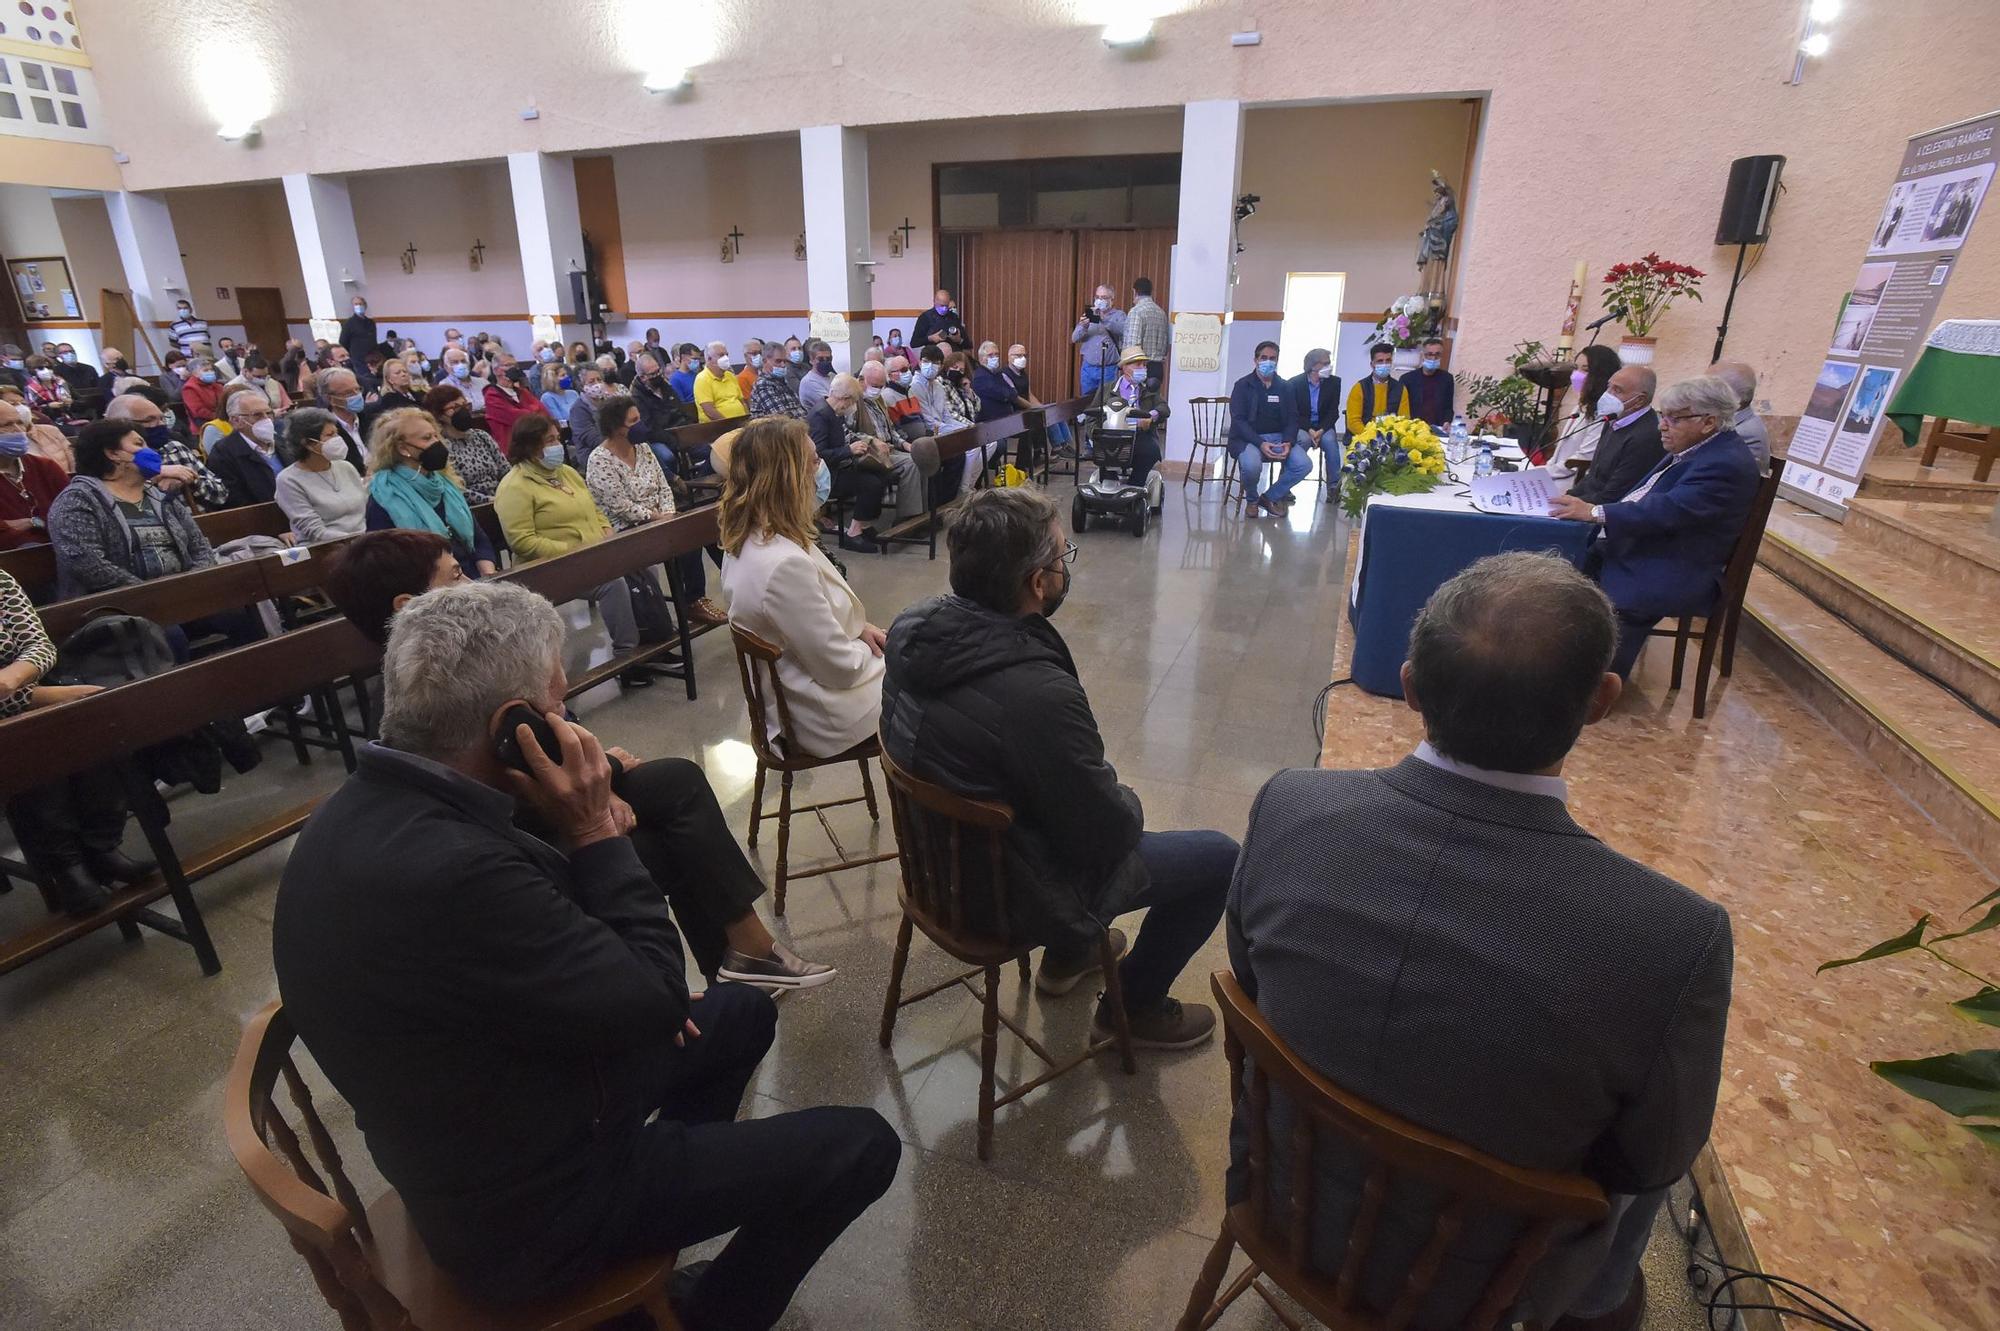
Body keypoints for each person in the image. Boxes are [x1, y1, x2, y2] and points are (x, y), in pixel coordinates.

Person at [274, 578, 897, 1330]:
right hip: (532, 1216)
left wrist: (570, 827)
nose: (569, 721)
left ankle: (665, 1202)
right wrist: (595, 825)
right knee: (862, 1144)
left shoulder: (363, 809)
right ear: (514, 729)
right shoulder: (456, 873)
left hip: (492, 1118)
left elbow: (535, 961)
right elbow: (657, 992)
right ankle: (706, 1309)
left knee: (739, 1012)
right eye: (560, 705)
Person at [1228, 552, 1731, 1331]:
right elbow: (1649, 1159)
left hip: (1281, 1197)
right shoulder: (1672, 935)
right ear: (1601, 701)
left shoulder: (1291, 805)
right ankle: (1595, 1304)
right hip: (1480, 1286)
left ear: (1410, 686)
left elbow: (1250, 979)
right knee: (1650, 1175)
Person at [881, 486, 1232, 1047]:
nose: (1065, 571)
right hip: (1004, 896)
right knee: (1220, 858)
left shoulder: (913, 629)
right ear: (1037, 583)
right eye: (1061, 558)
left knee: (1047, 804)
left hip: (937, 868)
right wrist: (1128, 798)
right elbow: (1106, 834)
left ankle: (1069, 956)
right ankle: (1133, 1010)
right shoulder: (1035, 695)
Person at [1549, 376, 1760, 678]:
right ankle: (1555, 659)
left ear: (1709, 422)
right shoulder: (1698, 448)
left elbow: (1667, 511)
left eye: (1674, 419)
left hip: (1668, 566)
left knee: (1589, 679)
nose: (1663, 425)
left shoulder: (1724, 463)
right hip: (1640, 546)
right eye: (1664, 416)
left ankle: (1592, 681)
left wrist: (1596, 512)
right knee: (1555, 568)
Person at [720, 418, 889, 754]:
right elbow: (838, 669)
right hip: (819, 710)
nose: (821, 469)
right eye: (814, 461)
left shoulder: (755, 535)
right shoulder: (783, 564)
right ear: (788, 476)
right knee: (938, 695)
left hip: (807, 681)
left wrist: (859, 628)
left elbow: (813, 618)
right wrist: (884, 655)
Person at [46, 420, 263, 661]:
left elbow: (198, 545)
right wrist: (153, 594)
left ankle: (259, 688)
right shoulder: (78, 501)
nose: (151, 452)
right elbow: (88, 564)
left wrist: (194, 582)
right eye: (139, 444)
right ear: (113, 454)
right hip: (118, 605)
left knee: (241, 611)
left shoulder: (158, 495)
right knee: (166, 635)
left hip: (180, 596)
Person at [1, 570, 151, 914]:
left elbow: (38, 644)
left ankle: (102, 847)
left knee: (88, 717)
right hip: (20, 711)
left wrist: (15, 678)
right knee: (29, 737)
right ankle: (67, 867)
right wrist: (37, 697)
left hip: (24, 688)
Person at [494, 414, 655, 689]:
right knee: (613, 584)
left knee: (641, 564)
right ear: (530, 447)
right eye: (550, 440)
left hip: (589, 557)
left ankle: (656, 641)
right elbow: (522, 541)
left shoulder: (565, 473)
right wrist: (573, 550)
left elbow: (594, 509)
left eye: (558, 438)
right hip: (546, 569)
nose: (557, 445)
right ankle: (627, 659)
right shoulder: (515, 486)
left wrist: (605, 530)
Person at [587, 393, 729, 626]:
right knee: (684, 539)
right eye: (633, 422)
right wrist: (658, 518)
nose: (640, 426)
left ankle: (727, 585)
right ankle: (692, 601)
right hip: (625, 527)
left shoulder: (642, 448)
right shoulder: (600, 460)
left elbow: (664, 486)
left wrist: (668, 514)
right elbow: (620, 506)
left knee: (703, 529)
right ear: (615, 427)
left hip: (660, 517)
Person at [365, 406, 500, 580]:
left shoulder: (444, 483)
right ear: (402, 448)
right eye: (427, 438)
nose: (437, 443)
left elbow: (478, 539)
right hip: (426, 587)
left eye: (436, 435)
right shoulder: (385, 496)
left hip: (471, 578)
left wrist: (487, 573)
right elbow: (386, 564)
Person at [808, 375, 895, 554]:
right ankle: (853, 533)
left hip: (841, 467)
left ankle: (865, 524)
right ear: (844, 399)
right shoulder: (820, 416)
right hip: (827, 475)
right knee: (871, 484)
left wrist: (869, 441)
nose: (853, 406)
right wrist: (849, 450)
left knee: (885, 474)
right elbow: (819, 454)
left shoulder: (834, 412)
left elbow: (846, 435)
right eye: (853, 401)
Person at [101, 392, 229, 510]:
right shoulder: (112, 462)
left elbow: (221, 493)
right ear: (120, 424)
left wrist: (190, 479)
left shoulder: (174, 448)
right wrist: (155, 477)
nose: (160, 424)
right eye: (149, 420)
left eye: (162, 418)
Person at [1228, 341, 1307, 518]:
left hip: (1279, 438)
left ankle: (1269, 496)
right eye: (1264, 358)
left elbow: (1293, 418)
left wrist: (1288, 441)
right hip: (1248, 439)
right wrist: (1260, 443)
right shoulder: (1242, 385)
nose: (1268, 362)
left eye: (1272, 358)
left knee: (1303, 465)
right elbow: (1238, 421)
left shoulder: (1286, 387)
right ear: (1255, 360)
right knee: (1251, 465)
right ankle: (1252, 500)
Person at [1565, 367, 1662, 506]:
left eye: (1617, 390)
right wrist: (1568, 496)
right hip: (1590, 503)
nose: (1607, 395)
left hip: (1607, 515)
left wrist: (1572, 503)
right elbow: (1594, 476)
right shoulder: (1614, 419)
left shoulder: (1646, 437)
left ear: (1639, 400)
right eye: (1608, 387)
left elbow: (1615, 496)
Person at [274, 406, 368, 542]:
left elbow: (365, 509)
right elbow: (316, 532)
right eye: (330, 435)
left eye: (337, 433)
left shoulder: (345, 466)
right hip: (325, 548)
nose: (337, 439)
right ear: (308, 444)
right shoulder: (288, 480)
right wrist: (360, 541)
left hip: (364, 542)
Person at [1528, 345, 1623, 469]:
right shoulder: (1582, 406)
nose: (1577, 375)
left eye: (1586, 370)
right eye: (1576, 368)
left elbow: (1583, 459)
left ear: (1602, 375)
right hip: (1554, 474)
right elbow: (1560, 454)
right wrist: (1541, 470)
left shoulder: (1604, 413)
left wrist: (1545, 473)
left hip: (1572, 482)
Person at [1091, 345, 1168, 495]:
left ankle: (1135, 486)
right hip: (1111, 436)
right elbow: (1091, 418)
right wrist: (1095, 435)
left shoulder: (1148, 390)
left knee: (1150, 450)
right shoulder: (1108, 389)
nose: (1143, 368)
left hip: (1139, 435)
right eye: (1138, 364)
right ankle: (1108, 487)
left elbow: (1164, 408)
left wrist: (1152, 416)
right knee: (1104, 452)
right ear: (1125, 367)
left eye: (1144, 365)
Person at [423, 384, 510, 505]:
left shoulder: (481, 436)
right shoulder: (440, 446)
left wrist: (509, 494)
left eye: (465, 405)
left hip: (503, 497)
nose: (463, 411)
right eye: (455, 407)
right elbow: (455, 488)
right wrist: (491, 501)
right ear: (439, 415)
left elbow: (506, 471)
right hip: (474, 506)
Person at [0, 405, 67, 550]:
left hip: (60, 550)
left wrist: (33, 522)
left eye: (20, 423)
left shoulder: (45, 467)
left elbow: (72, 514)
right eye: (7, 425)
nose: (18, 431)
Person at [207, 387, 285, 508]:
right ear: (236, 421)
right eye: (257, 415)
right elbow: (235, 502)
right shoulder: (223, 454)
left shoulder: (283, 443)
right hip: (264, 518)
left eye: (269, 413)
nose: (267, 419)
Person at [1710, 361, 1771, 471]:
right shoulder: (1735, 421)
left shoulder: (1744, 433)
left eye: (1707, 388)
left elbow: (1712, 472)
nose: (1698, 394)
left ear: (1732, 398)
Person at [1291, 346, 1342, 475]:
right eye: (1325, 364)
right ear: (1312, 366)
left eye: (1329, 363)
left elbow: (1333, 412)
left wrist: (1320, 431)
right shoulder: (1294, 384)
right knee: (1303, 440)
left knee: (1330, 442)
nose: (1328, 366)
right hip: (1303, 426)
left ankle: (1334, 487)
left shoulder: (1334, 382)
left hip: (1324, 426)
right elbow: (1294, 413)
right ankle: (1286, 484)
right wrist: (1310, 430)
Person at [1, 383, 74, 473]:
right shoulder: (9, 445)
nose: (21, 407)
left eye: (23, 403)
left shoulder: (50, 430)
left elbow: (72, 459)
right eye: (13, 404)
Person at [1071, 283, 1126, 397]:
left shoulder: (1119, 315)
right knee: (1086, 401)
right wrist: (1083, 326)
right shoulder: (1089, 314)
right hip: (1088, 368)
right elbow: (1074, 338)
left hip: (1108, 369)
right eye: (1097, 297)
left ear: (1112, 300)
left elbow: (1121, 330)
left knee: (1106, 400)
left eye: (1104, 298)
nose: (1100, 300)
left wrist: (1102, 318)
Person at [1347, 342, 1412, 433]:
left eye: (1388, 360)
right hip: (1364, 437)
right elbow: (1353, 422)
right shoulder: (1359, 388)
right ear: (1372, 364)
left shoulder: (1400, 389)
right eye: (1380, 361)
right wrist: (1371, 437)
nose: (1384, 364)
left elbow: (1404, 420)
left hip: (1392, 438)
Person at [633, 351, 697, 441]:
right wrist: (673, 440)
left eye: (658, 371)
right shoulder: (637, 397)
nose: (657, 375)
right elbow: (649, 427)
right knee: (667, 455)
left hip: (678, 428)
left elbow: (680, 408)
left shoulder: (665, 385)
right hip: (659, 435)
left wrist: (691, 426)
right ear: (642, 377)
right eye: (652, 374)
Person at [360, 354, 424, 441]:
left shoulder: (418, 394)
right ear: (389, 379)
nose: (403, 374)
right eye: (398, 373)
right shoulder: (389, 400)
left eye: (405, 371)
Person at [484, 361, 549, 446]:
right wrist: (533, 411)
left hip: (535, 439)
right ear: (496, 371)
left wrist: (530, 412)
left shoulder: (522, 391)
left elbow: (544, 411)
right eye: (507, 365)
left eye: (515, 365)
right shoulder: (491, 396)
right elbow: (518, 418)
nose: (512, 368)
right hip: (512, 445)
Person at [1399, 336, 1455, 429]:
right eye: (1429, 354)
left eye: (1437, 354)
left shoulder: (1447, 379)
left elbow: (1448, 407)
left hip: (1438, 428)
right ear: (1422, 355)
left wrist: (1447, 422)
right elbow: (1401, 407)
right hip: (1413, 428)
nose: (1433, 358)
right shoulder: (1407, 379)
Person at [316, 366, 370, 458]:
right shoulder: (324, 430)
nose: (357, 396)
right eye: (348, 393)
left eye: (357, 389)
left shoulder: (371, 418)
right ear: (330, 398)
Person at [1125, 276, 1169, 384]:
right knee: (1153, 400)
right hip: (1158, 368)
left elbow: (1133, 346)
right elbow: (1165, 344)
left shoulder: (1136, 312)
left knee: (1136, 399)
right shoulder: (1161, 313)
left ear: (1134, 292)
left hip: (1140, 367)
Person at [694, 340, 750, 422]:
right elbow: (709, 410)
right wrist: (729, 424)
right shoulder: (702, 379)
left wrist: (747, 419)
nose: (726, 358)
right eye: (721, 355)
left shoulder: (730, 375)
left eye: (727, 355)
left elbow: (742, 402)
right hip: (719, 427)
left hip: (740, 424)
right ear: (709, 359)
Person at [566, 366, 612, 463]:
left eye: (599, 380)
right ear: (583, 386)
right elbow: (591, 438)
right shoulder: (578, 409)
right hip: (592, 455)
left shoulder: (610, 402)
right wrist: (617, 446)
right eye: (591, 381)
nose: (597, 384)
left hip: (614, 448)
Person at [749, 345, 807, 420]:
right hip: (778, 430)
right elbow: (782, 419)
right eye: (778, 361)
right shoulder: (763, 384)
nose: (783, 365)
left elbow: (800, 410)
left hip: (800, 427)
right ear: (764, 361)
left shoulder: (783, 381)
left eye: (785, 361)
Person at [24, 356, 78, 424]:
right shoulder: (30, 387)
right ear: (33, 370)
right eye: (41, 368)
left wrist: (71, 402)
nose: (46, 370)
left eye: (49, 367)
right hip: (48, 421)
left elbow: (79, 400)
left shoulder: (61, 381)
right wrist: (48, 406)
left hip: (69, 417)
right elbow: (32, 410)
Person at [911, 288, 968, 352]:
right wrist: (930, 338)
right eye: (941, 305)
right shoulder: (925, 317)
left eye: (946, 306)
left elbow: (968, 344)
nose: (944, 308)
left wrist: (959, 340)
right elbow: (914, 343)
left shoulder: (954, 317)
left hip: (952, 355)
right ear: (935, 301)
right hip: (933, 355)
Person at [179, 355, 227, 431]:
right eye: (205, 370)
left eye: (211, 369)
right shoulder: (189, 388)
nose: (210, 372)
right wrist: (221, 417)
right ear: (194, 373)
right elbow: (199, 411)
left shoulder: (217, 385)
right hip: (205, 427)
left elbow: (225, 402)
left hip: (222, 422)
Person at [796, 339, 836, 415]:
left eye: (828, 359)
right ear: (811, 360)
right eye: (820, 359)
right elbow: (832, 405)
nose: (825, 362)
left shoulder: (832, 376)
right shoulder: (808, 382)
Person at [538, 360, 580, 425]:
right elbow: (560, 422)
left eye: (566, 374)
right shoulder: (547, 397)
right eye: (563, 375)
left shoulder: (573, 393)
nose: (567, 377)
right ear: (552, 379)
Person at [340, 295, 379, 365]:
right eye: (356, 304)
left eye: (360, 304)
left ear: (365, 306)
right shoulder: (348, 323)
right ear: (353, 307)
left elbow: (374, 340)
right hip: (357, 359)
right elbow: (343, 342)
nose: (359, 306)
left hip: (372, 357)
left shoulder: (371, 322)